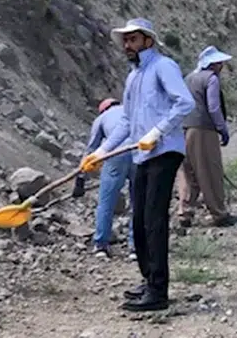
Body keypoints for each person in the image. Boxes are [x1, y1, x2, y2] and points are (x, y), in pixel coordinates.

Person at [81, 18, 195, 312]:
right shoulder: (133, 77)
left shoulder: (163, 66)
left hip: (165, 151)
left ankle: (159, 291)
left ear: (148, 41)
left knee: (155, 219)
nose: (127, 45)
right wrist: (101, 152)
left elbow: (185, 103)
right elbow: (128, 123)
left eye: (133, 39)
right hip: (141, 155)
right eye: (125, 41)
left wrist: (157, 132)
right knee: (140, 219)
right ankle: (148, 279)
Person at [178, 46, 237, 228]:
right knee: (210, 171)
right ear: (213, 64)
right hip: (203, 130)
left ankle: (185, 213)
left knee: (188, 172)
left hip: (183, 128)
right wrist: (222, 129)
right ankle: (219, 213)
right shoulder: (211, 79)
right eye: (219, 63)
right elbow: (213, 107)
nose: (221, 66)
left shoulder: (187, 78)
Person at [74, 97, 136, 258]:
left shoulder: (102, 118)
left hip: (116, 154)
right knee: (138, 202)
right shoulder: (131, 110)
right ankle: (135, 248)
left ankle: (101, 245)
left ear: (103, 109)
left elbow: (92, 149)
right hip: (139, 152)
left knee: (106, 202)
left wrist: (80, 179)